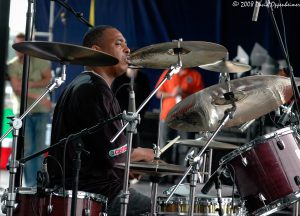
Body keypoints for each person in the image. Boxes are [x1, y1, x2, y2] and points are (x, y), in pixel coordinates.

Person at [48, 25, 154, 216]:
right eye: (118, 43)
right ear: (96, 51)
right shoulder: (94, 90)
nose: (127, 50)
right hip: (96, 194)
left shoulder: (85, 85)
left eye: (126, 45)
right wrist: (141, 154)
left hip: (83, 187)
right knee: (157, 209)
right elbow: (114, 154)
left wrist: (127, 167)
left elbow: (100, 153)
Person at [7, 33, 52, 186]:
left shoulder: (40, 60)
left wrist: (27, 84)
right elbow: (16, 88)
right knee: (26, 150)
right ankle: (30, 185)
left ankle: (39, 185)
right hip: (23, 112)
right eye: (16, 45)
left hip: (41, 111)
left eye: (22, 46)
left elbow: (48, 79)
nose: (19, 50)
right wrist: (38, 93)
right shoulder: (12, 65)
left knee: (39, 151)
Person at [155, 68, 204, 175]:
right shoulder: (169, 72)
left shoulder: (194, 75)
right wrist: (172, 94)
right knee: (165, 146)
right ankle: (163, 174)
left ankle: (181, 176)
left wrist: (184, 93)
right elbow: (158, 93)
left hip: (186, 117)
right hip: (167, 115)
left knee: (184, 147)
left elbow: (199, 97)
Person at [111, 66, 151, 148]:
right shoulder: (119, 78)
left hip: (138, 117)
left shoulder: (143, 78)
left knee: (136, 145)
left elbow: (147, 97)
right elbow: (113, 98)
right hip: (121, 118)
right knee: (121, 144)